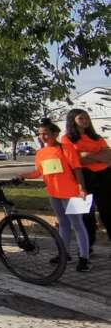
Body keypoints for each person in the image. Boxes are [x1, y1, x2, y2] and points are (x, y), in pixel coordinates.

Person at [18, 119, 90, 272]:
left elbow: (77, 169)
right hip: (54, 193)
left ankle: (84, 258)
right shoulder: (41, 153)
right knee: (62, 224)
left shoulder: (66, 148)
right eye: (40, 134)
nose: (42, 137)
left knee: (78, 225)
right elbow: (38, 172)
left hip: (71, 194)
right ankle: (65, 254)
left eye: (46, 133)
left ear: (55, 134)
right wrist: (23, 175)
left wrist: (82, 188)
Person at [63, 107, 111, 251]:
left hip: (105, 176)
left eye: (86, 118)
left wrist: (86, 155)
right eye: (81, 118)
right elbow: (75, 161)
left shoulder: (97, 137)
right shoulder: (67, 138)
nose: (85, 121)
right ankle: (86, 247)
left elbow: (108, 156)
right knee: (85, 215)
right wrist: (97, 156)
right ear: (73, 121)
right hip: (82, 178)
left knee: (108, 211)